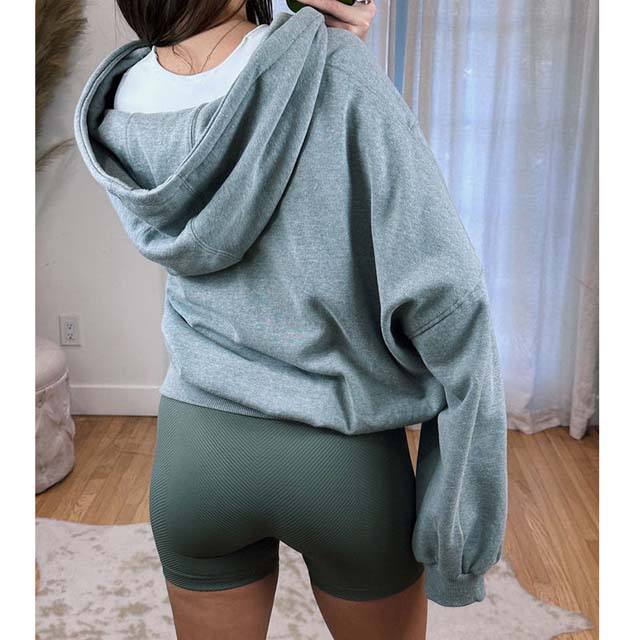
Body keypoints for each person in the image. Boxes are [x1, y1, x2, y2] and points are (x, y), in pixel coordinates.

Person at [74, 1, 508, 638]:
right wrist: (461, 534)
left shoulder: (121, 98)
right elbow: (450, 304)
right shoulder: (336, 71)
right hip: (341, 461)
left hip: (196, 457)